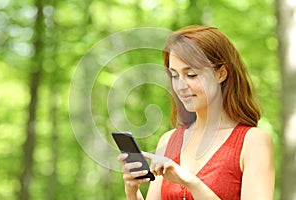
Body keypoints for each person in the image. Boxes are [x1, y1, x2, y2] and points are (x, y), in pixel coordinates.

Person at [117, 25, 275, 200]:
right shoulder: (169, 140)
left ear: (221, 74)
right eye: (174, 76)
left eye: (191, 75)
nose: (180, 87)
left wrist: (190, 182)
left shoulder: (253, 141)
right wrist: (132, 192)